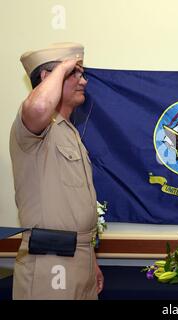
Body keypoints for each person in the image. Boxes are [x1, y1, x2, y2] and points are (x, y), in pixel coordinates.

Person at [9, 43, 104, 299]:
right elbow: (39, 108)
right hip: (50, 263)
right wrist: (62, 67)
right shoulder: (33, 127)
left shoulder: (69, 131)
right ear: (47, 77)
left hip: (78, 258)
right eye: (75, 73)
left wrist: (90, 260)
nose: (83, 81)